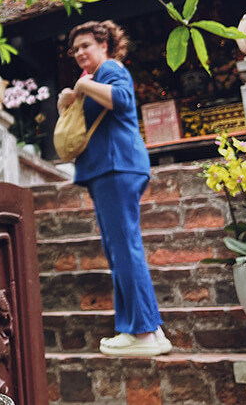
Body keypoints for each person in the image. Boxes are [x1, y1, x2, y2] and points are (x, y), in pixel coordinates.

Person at [56, 20, 172, 356]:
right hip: (106, 168)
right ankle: (138, 328)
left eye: (85, 46)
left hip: (117, 165)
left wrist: (83, 87)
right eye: (75, 49)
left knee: (124, 247)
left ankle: (145, 332)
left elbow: (121, 100)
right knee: (118, 248)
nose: (79, 53)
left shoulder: (110, 67)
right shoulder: (93, 78)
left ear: (104, 45)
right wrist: (70, 99)